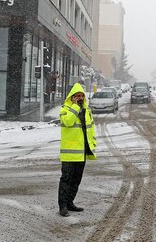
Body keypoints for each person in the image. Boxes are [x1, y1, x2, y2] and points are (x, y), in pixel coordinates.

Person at [58, 83, 97, 217]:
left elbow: (91, 128)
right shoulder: (65, 109)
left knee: (76, 180)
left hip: (82, 153)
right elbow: (68, 122)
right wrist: (74, 106)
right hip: (69, 154)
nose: (80, 98)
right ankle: (62, 206)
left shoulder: (87, 111)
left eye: (81, 96)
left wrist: (93, 143)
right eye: (77, 96)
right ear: (72, 97)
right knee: (66, 180)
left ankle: (70, 203)